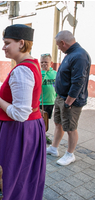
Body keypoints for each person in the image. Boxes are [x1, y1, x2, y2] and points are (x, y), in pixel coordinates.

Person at [0, 24, 46, 200]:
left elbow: (20, 113)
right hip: (27, 129)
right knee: (24, 176)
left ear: (21, 43)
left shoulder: (22, 70)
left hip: (18, 132)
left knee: (11, 176)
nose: (3, 47)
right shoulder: (31, 64)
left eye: (7, 43)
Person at [46, 30, 91, 166]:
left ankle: (70, 154)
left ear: (63, 43)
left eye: (58, 45)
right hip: (61, 97)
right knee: (58, 124)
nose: (58, 48)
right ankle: (54, 148)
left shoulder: (80, 56)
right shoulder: (71, 54)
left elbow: (78, 82)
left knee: (71, 128)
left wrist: (68, 102)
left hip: (70, 101)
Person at [39, 53, 57, 144]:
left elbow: (57, 87)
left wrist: (56, 98)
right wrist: (42, 74)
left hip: (50, 102)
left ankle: (43, 134)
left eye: (46, 62)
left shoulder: (55, 74)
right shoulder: (38, 73)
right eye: (41, 62)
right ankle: (39, 135)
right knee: (38, 120)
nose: (43, 64)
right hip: (40, 102)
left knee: (45, 120)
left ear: (51, 63)